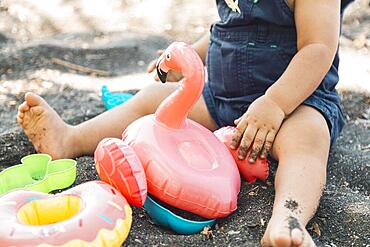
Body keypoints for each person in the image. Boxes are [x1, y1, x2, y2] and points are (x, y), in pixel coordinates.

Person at [17, 0, 353, 246]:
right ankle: (70, 139)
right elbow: (226, 33)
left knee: (308, 141)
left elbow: (318, 48)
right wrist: (188, 59)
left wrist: (276, 103)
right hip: (221, 100)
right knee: (150, 101)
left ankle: (289, 217)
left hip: (292, 105)